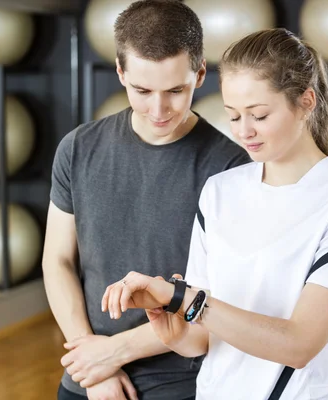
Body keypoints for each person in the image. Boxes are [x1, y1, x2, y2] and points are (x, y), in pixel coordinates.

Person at [100, 28, 328, 400]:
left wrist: (185, 299)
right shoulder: (220, 191)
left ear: (307, 101)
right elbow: (201, 339)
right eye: (233, 116)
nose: (244, 131)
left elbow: (298, 345)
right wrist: (174, 326)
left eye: (259, 115)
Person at [42, 1, 251, 399]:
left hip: (183, 383)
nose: (159, 109)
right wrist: (95, 367)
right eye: (142, 90)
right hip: (86, 378)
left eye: (176, 90)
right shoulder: (77, 148)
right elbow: (58, 260)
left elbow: (223, 300)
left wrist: (113, 353)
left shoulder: (232, 168)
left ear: (201, 73)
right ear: (120, 72)